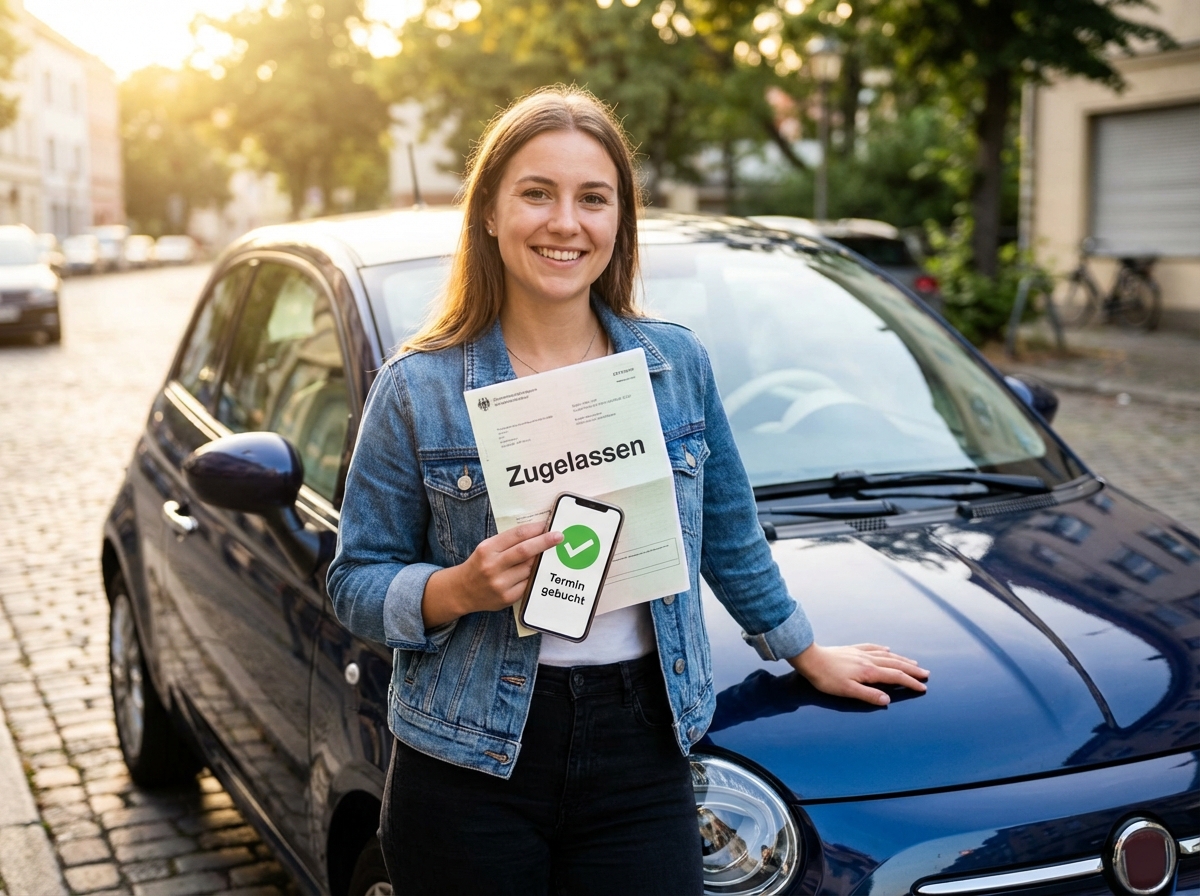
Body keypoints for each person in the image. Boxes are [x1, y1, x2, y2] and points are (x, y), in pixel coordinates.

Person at [327, 85, 928, 896]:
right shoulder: (418, 387)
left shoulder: (675, 366)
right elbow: (355, 581)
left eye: (593, 198)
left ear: (619, 221)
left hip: (642, 745)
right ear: (490, 213)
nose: (565, 222)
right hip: (467, 756)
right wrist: (457, 589)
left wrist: (804, 650)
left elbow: (729, 532)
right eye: (536, 193)